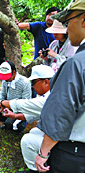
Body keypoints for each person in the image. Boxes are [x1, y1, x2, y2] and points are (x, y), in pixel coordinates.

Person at [34, 0, 85, 172]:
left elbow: (61, 114)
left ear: (83, 21)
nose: (67, 28)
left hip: (74, 152)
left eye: (69, 21)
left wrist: (43, 152)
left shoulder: (77, 63)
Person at [0, 65, 55, 173]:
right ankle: (45, 163)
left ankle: (36, 169)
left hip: (63, 139)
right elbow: (35, 114)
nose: (33, 86)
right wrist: (14, 116)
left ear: (46, 82)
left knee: (27, 141)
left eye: (34, 83)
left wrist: (4, 103)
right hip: (56, 133)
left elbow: (27, 104)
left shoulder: (51, 97)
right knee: (34, 131)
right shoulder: (50, 93)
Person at [0, 61, 31, 133]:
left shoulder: (25, 82)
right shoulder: (5, 81)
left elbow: (26, 103)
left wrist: (10, 106)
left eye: (7, 77)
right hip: (6, 106)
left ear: (14, 73)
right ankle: (7, 121)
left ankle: (19, 125)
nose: (5, 80)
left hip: (18, 110)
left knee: (10, 125)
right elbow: (3, 93)